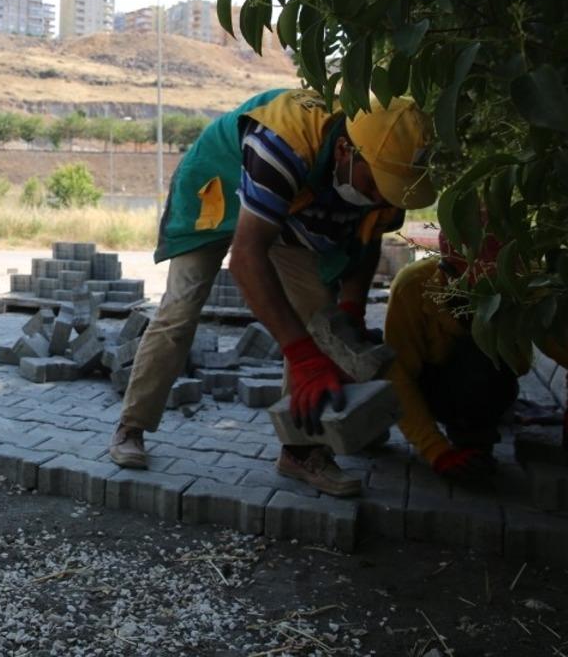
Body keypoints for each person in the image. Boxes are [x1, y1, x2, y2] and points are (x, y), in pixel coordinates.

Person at [109, 88, 436, 497]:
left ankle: (300, 452)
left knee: (321, 319)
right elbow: (246, 258)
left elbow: (367, 241)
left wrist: (350, 311)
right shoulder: (282, 142)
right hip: (214, 187)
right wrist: (302, 357)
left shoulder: (389, 177)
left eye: (384, 190)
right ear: (343, 150)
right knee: (180, 311)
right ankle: (131, 427)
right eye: (372, 184)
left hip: (285, 209)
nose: (377, 196)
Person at [384, 232, 568, 479]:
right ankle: (464, 428)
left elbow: (559, 344)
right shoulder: (413, 286)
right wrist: (436, 451)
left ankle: (476, 433)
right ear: (450, 268)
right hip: (433, 386)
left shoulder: (526, 283)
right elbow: (398, 375)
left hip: (492, 381)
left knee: (482, 360)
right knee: (472, 358)